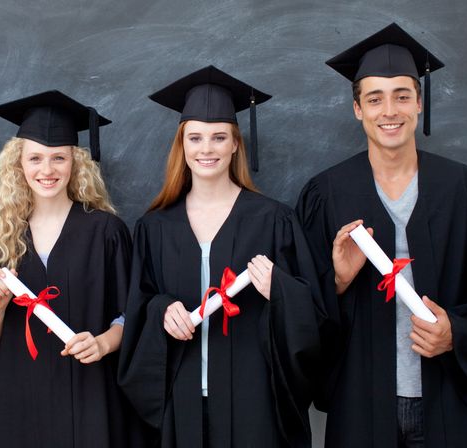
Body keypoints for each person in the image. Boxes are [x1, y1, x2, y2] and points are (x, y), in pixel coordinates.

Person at [297, 23, 467, 447]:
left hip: (445, 398)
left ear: (419, 103)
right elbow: (297, 308)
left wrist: (457, 333)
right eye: (375, 98)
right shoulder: (326, 193)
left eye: (402, 95)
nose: (389, 110)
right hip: (358, 401)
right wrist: (336, 281)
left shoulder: (464, 190)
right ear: (358, 109)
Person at [119, 66, 322, 447]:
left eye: (218, 137)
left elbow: (315, 312)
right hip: (181, 398)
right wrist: (161, 309)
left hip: (254, 398)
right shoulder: (154, 227)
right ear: (182, 146)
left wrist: (279, 290)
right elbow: (137, 304)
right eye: (195, 138)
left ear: (235, 144)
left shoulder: (274, 220)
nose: (206, 148)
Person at [0, 90, 138, 447]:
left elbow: (131, 315)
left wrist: (102, 343)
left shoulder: (105, 231)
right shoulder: (4, 236)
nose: (46, 170)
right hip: (19, 394)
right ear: (18, 164)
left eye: (58, 158)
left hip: (89, 389)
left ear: (75, 163)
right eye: (35, 158)